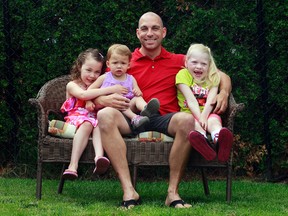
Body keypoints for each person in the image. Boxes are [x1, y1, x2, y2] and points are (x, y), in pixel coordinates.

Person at [93, 12, 232, 209]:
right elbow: (97, 87)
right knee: (104, 114)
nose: (150, 33)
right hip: (131, 117)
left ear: (164, 32)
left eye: (155, 28)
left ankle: (172, 193)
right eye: (144, 29)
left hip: (166, 118)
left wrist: (224, 92)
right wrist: (102, 98)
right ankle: (128, 190)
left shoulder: (179, 61)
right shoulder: (124, 60)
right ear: (137, 33)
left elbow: (220, 74)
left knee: (186, 120)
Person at [61, 48, 128, 180]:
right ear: (79, 67)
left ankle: (99, 158)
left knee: (98, 124)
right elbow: (83, 95)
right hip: (77, 118)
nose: (92, 75)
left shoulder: (98, 87)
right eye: (88, 70)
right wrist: (111, 89)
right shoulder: (72, 85)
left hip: (93, 119)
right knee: (87, 124)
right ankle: (72, 166)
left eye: (97, 72)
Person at [176, 43, 233, 162]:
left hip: (207, 114)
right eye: (194, 62)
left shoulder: (212, 78)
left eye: (203, 64)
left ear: (209, 66)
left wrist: (204, 117)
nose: (199, 67)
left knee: (214, 121)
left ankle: (219, 140)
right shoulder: (182, 75)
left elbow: (211, 101)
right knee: (194, 124)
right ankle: (203, 142)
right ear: (186, 62)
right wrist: (200, 118)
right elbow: (191, 100)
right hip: (190, 114)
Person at [86, 44, 160, 130]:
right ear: (108, 64)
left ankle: (146, 109)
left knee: (137, 98)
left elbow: (138, 92)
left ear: (128, 65)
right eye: (115, 63)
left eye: (123, 63)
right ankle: (135, 118)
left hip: (128, 105)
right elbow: (89, 90)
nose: (119, 66)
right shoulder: (104, 77)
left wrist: (137, 92)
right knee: (120, 101)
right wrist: (88, 101)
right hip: (110, 107)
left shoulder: (131, 79)